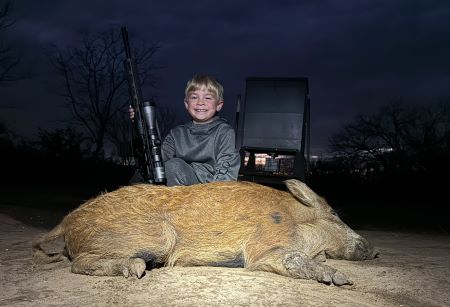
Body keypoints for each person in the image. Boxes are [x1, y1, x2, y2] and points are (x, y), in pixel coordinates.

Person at [130, 74, 241, 186]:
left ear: (219, 105)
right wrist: (141, 125)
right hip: (180, 186)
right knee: (170, 167)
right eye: (194, 97)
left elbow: (227, 168)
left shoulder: (224, 132)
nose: (200, 102)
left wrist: (215, 198)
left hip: (209, 190)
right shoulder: (176, 134)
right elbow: (157, 160)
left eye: (208, 97)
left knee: (174, 166)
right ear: (186, 104)